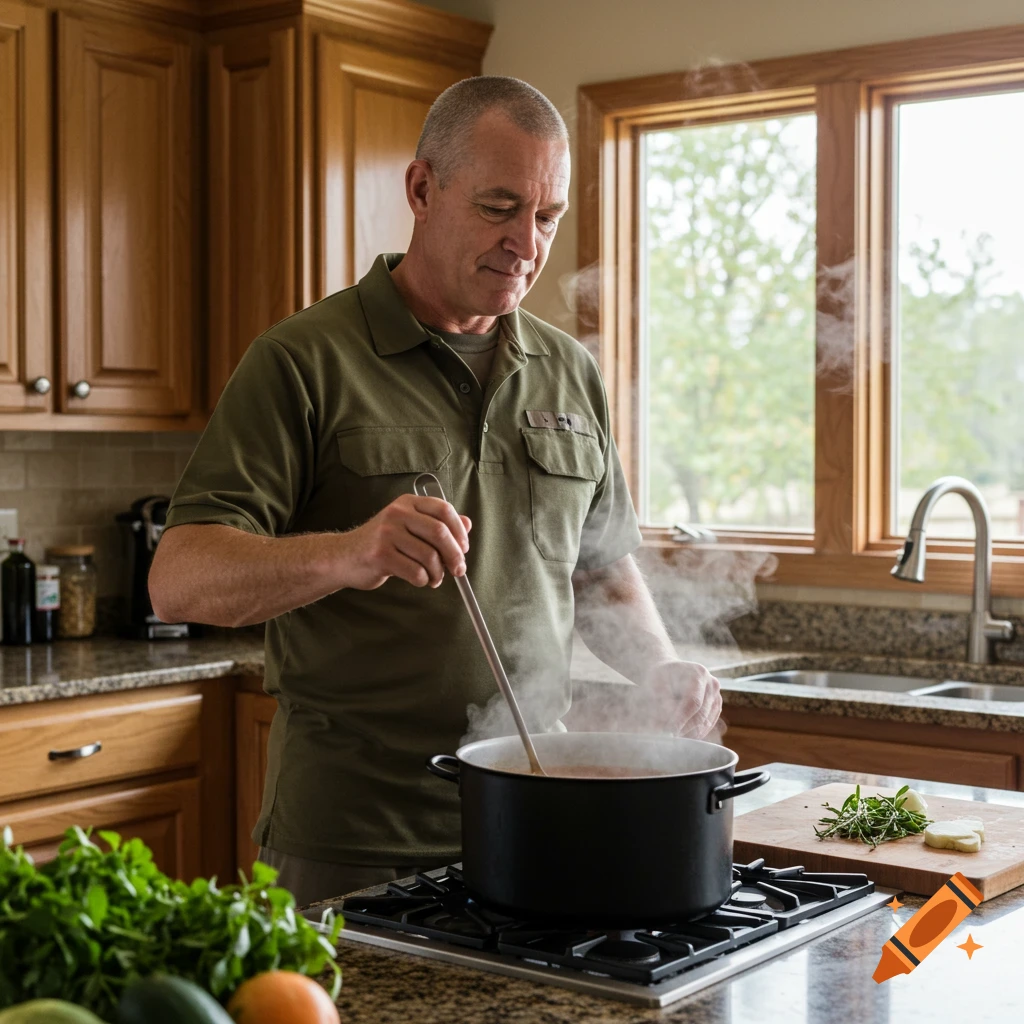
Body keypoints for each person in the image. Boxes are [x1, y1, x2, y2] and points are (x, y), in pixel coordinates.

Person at [149, 76, 722, 908]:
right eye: (499, 207)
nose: (527, 243)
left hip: (533, 818)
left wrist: (662, 668)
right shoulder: (302, 361)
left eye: (547, 216)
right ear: (422, 189)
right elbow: (180, 578)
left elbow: (601, 572)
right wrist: (350, 553)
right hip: (352, 837)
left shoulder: (570, 370)